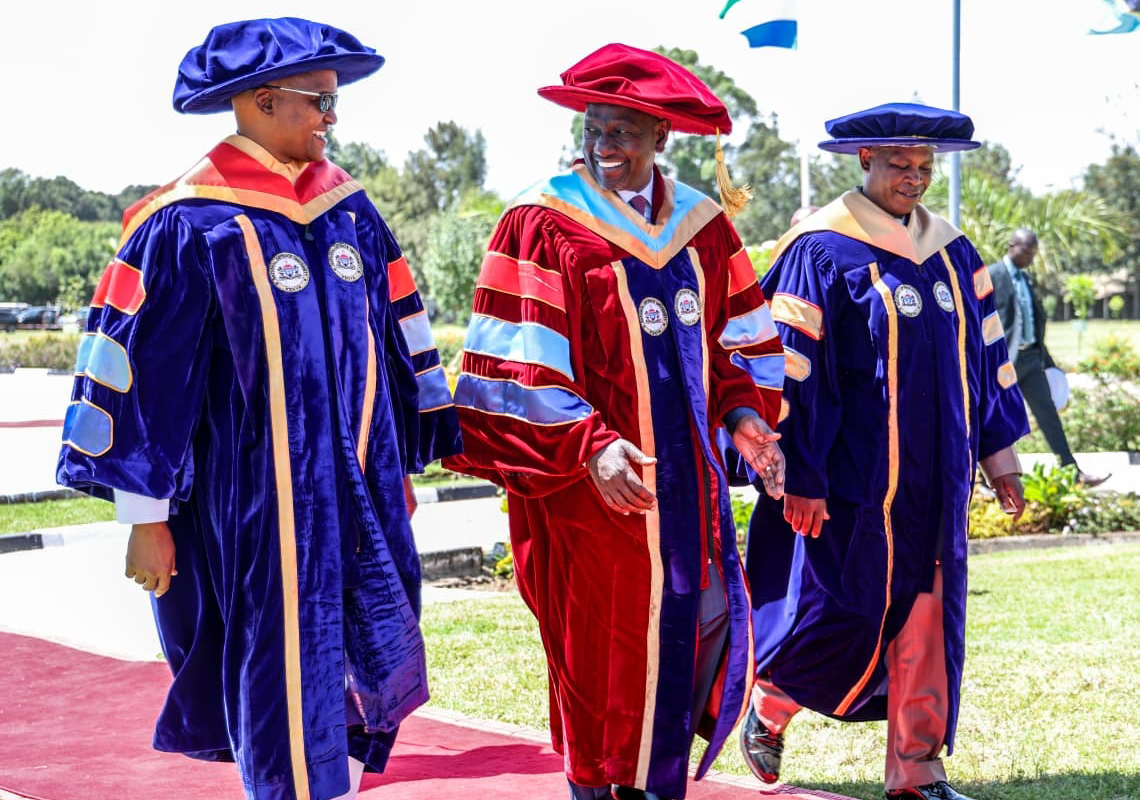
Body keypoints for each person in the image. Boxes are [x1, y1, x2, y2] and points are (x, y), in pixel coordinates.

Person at [56, 18, 461, 800]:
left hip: (361, 499)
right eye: (319, 101)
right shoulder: (184, 223)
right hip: (255, 510)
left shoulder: (349, 212)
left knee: (368, 667)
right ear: (261, 100)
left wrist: (397, 461)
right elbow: (142, 379)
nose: (332, 119)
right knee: (278, 680)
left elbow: (395, 338)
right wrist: (146, 518)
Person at [443, 43, 786, 800]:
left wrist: (742, 413)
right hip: (589, 496)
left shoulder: (703, 227)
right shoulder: (541, 222)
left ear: (661, 137)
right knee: (600, 652)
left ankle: (657, 786)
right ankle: (594, 790)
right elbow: (519, 367)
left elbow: (735, 343)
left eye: (625, 130)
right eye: (595, 127)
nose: (605, 143)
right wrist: (590, 445)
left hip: (685, 495)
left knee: (685, 638)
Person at [733, 103, 1030, 800]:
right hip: (850, 483)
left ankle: (917, 770)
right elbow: (790, 373)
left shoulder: (953, 252)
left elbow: (986, 360)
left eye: (926, 167)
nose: (915, 178)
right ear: (864, 162)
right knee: (843, 609)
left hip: (939, 480)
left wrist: (1001, 456)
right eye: (900, 164)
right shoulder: (820, 250)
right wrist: (797, 475)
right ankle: (771, 700)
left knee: (928, 615)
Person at [988, 228, 1109, 486]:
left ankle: (1073, 473)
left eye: (1034, 253)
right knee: (993, 419)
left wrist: (1048, 361)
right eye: (1027, 252)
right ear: (1011, 246)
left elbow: (1034, 320)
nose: (1031, 258)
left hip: (1032, 360)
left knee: (1049, 417)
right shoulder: (992, 276)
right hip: (1003, 363)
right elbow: (982, 321)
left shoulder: (1028, 279)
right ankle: (983, 480)